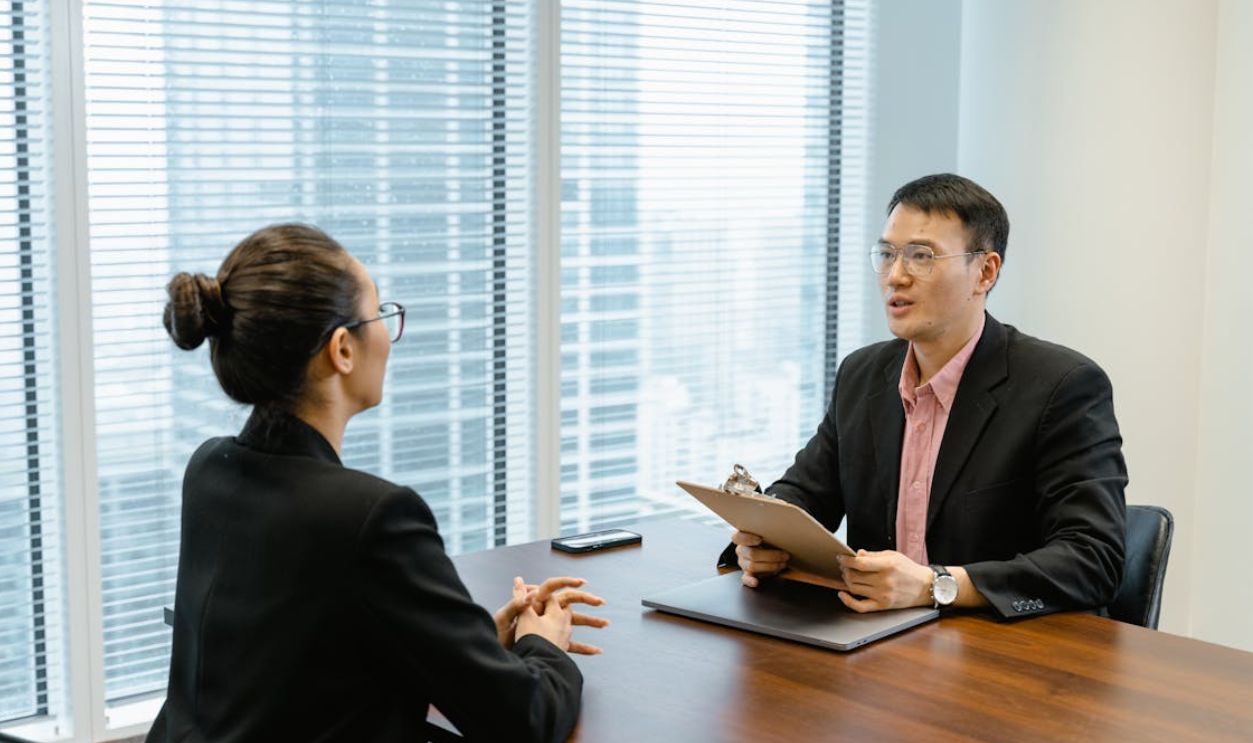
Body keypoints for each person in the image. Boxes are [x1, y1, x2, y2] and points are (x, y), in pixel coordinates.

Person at [148, 223, 605, 743]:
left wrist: (466, 650)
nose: (389, 334)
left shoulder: (210, 468)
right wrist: (543, 644)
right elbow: (526, 721)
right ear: (342, 349)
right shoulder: (370, 516)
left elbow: (289, 666)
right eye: (381, 314)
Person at [724, 174, 1127, 619]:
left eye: (921, 256)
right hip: (877, 639)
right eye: (888, 254)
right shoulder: (863, 374)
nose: (896, 276)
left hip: (1002, 650)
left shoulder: (1062, 386)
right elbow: (804, 494)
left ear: (985, 272)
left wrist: (938, 585)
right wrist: (765, 542)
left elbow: (1094, 561)